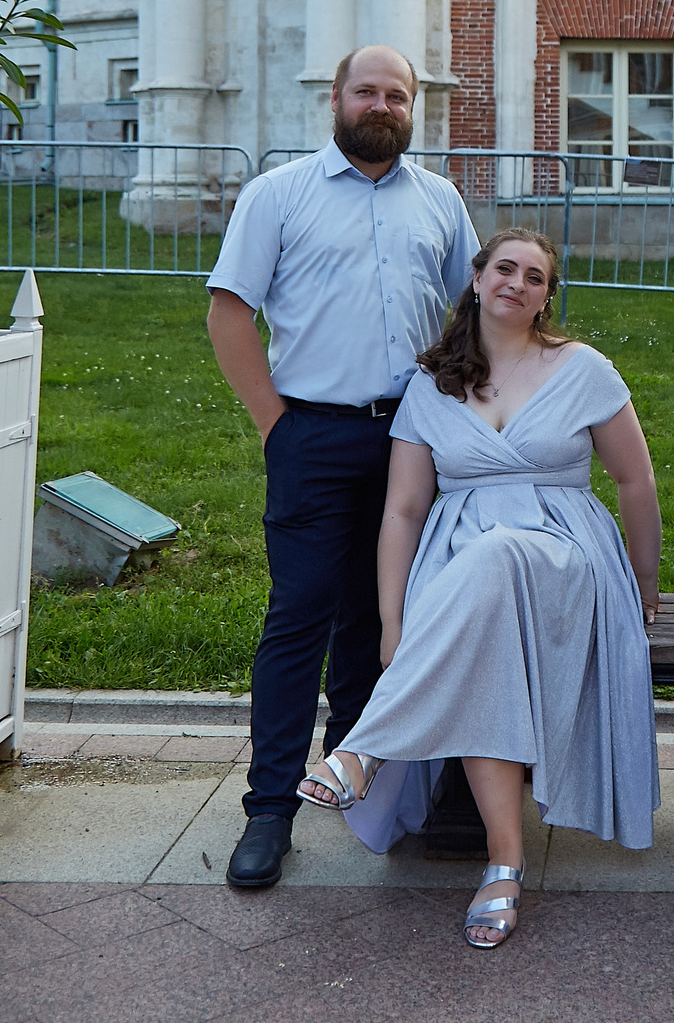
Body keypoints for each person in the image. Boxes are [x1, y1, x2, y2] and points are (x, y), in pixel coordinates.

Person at [295, 228, 663, 949]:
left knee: (496, 555)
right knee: (484, 624)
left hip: (565, 557)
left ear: (546, 295)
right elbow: (402, 511)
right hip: (460, 567)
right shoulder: (432, 384)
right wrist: (393, 620)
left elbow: (635, 479)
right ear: (477, 278)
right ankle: (504, 861)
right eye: (505, 268)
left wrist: (642, 581)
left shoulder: (582, 368)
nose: (517, 283)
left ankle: (365, 746)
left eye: (534, 275)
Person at [204, 45, 481, 891]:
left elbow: (477, 307)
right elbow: (228, 311)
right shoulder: (279, 194)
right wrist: (274, 426)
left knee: (380, 613)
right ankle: (269, 810)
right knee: (301, 616)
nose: (383, 105)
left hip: (411, 439)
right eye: (368, 90)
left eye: (398, 94)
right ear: (335, 98)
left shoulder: (439, 200)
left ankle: (365, 785)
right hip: (312, 435)